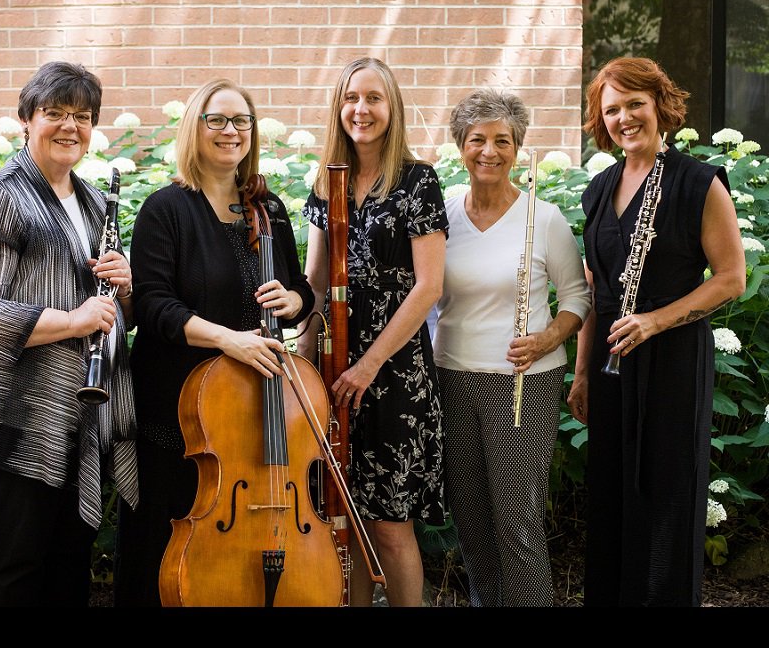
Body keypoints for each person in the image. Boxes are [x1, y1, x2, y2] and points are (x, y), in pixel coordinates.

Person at [113, 78, 315, 606]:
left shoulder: (267, 209)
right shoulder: (167, 209)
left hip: (252, 403)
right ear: (195, 129)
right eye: (218, 120)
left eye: (241, 121)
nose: (231, 132)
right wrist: (229, 340)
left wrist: (294, 301)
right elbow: (154, 307)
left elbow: (301, 288)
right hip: (181, 406)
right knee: (170, 535)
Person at [0, 61, 138, 606]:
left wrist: (124, 288)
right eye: (54, 113)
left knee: (67, 569)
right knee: (15, 573)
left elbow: (112, 308)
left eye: (81, 116)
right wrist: (73, 322)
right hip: (17, 419)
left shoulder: (97, 200)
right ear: (27, 119)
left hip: (80, 416)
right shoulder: (3, 196)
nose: (69, 126)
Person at [566, 57, 746, 606]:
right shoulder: (598, 188)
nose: (625, 118)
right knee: (614, 499)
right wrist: (581, 376)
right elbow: (597, 292)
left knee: (666, 498)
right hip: (611, 365)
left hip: (672, 363)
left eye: (635, 104)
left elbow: (732, 279)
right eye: (612, 109)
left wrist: (656, 320)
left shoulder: (698, 181)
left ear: (659, 105)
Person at [431, 88, 590, 606]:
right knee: (473, 522)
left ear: (518, 148)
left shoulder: (543, 218)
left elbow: (577, 299)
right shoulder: (443, 214)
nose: (490, 151)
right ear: (461, 146)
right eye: (477, 139)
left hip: (525, 383)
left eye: (503, 140)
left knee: (517, 525)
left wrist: (547, 337)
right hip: (452, 377)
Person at [297, 57, 446, 607]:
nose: (362, 109)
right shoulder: (325, 181)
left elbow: (428, 287)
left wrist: (370, 364)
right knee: (346, 516)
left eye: (374, 98)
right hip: (335, 370)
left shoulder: (416, 180)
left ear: (393, 108)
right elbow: (312, 284)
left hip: (395, 373)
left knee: (389, 524)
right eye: (352, 98)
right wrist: (306, 364)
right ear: (339, 106)